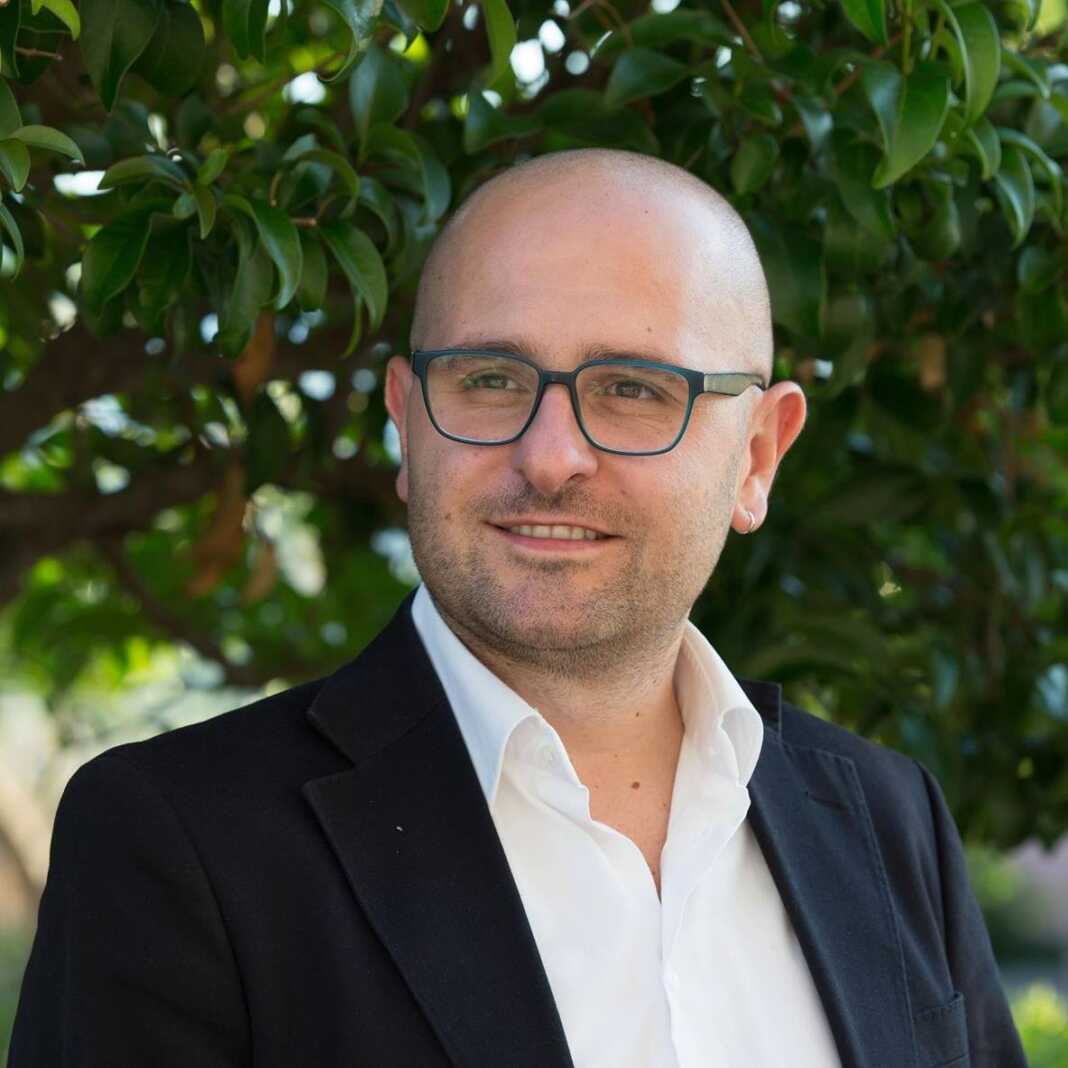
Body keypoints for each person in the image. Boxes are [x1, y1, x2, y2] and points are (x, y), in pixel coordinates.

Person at [9, 148, 1024, 1068]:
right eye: (491, 379)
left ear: (758, 456)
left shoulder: (888, 824)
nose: (549, 457)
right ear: (407, 420)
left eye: (634, 388)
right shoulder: (180, 842)